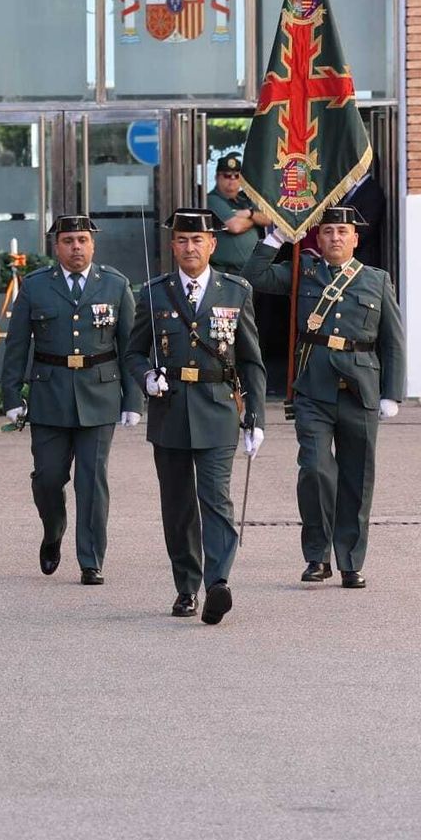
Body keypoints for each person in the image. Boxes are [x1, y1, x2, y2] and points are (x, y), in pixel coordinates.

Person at [243, 207, 405, 588]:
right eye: (328, 231)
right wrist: (276, 238)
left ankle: (350, 560)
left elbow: (392, 340)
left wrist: (391, 392)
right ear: (318, 237)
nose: (334, 238)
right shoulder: (304, 271)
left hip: (359, 389)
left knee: (356, 477)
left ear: (355, 239)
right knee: (315, 471)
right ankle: (317, 556)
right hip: (312, 387)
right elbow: (254, 277)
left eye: (342, 231)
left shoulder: (376, 280)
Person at [128, 209, 266, 624]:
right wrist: (145, 378)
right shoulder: (154, 292)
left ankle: (217, 582)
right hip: (170, 411)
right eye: (183, 241)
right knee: (178, 506)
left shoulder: (235, 291)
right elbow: (134, 350)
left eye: (198, 240)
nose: (190, 247)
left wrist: (255, 418)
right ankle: (186, 587)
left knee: (216, 500)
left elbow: (251, 361)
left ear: (212, 245)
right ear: (173, 247)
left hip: (218, 408)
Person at [0, 215, 141, 585]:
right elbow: (16, 345)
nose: (76, 247)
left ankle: (90, 560)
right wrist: (12, 394)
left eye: (82, 240)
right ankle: (53, 528)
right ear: (56, 246)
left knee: (92, 481)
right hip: (50, 394)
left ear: (93, 245)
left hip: (100, 394)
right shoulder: (35, 286)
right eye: (68, 241)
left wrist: (133, 400)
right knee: (48, 478)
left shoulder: (114, 284)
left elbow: (130, 347)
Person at [207, 154, 264, 275]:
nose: (232, 179)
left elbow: (268, 219)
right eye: (227, 176)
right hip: (226, 273)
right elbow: (235, 226)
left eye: (236, 176)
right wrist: (254, 219)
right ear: (217, 177)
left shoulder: (245, 199)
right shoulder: (212, 199)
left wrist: (249, 213)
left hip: (249, 271)